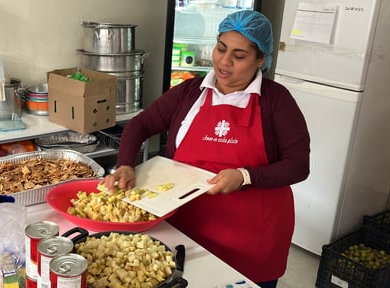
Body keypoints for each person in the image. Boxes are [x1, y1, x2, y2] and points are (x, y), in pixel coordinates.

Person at [102, 10, 310, 288]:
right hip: (187, 228)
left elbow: (298, 165)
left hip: (253, 235)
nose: (224, 62)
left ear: (261, 60)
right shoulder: (191, 92)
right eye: (221, 48)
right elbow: (140, 124)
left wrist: (245, 176)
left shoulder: (276, 101)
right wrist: (126, 163)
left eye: (239, 56)